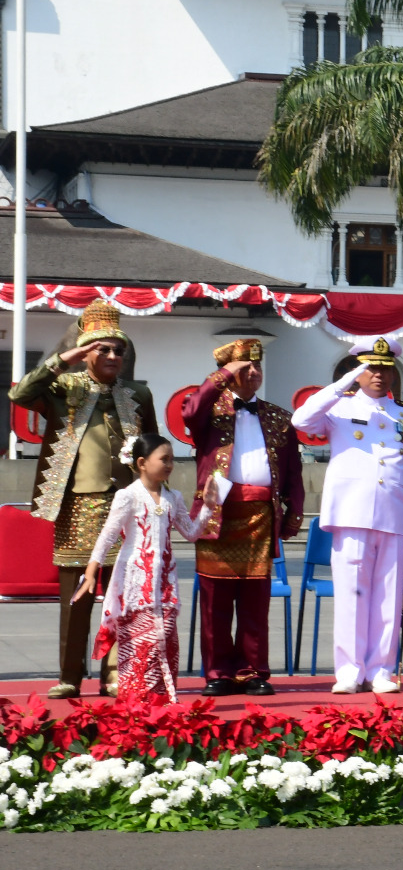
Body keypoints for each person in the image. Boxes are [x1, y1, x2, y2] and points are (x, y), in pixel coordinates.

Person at [10, 299, 156, 699]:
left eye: (117, 350)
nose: (111, 356)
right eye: (102, 349)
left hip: (126, 506)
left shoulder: (138, 393)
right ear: (86, 352)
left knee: (122, 593)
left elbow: (152, 449)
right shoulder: (63, 387)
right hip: (78, 505)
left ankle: (114, 674)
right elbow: (21, 393)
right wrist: (66, 356)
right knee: (77, 596)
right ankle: (70, 675)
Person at [291, 337, 403, 694]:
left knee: (388, 595)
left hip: (395, 515)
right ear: (358, 370)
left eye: (385, 367)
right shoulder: (337, 409)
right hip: (352, 514)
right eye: (371, 367)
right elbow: (302, 419)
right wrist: (344, 383)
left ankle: (382, 669)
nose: (379, 374)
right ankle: (349, 670)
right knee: (352, 594)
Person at [182, 338, 305, 697]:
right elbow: (189, 412)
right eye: (244, 368)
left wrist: (294, 513)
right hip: (218, 512)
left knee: (255, 599)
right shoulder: (210, 412)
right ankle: (218, 672)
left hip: (260, 515)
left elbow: (294, 472)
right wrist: (222, 375)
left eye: (256, 366)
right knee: (215, 599)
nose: (253, 373)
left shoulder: (280, 417)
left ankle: (253, 671)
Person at [76, 434, 219, 708]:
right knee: (137, 645)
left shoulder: (173, 497)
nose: (170, 465)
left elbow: (190, 533)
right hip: (134, 584)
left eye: (171, 459)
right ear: (142, 462)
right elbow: (107, 536)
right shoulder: (127, 496)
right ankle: (134, 703)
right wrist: (91, 572)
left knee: (164, 640)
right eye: (163, 459)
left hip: (165, 583)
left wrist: (208, 507)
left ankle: (161, 701)